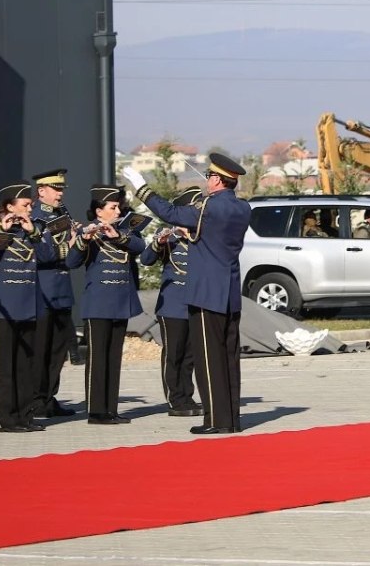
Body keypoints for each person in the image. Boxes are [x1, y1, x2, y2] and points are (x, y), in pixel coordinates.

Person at [122, 152, 251, 435]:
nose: (207, 182)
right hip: (228, 293)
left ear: (218, 180)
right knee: (229, 359)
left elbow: (168, 212)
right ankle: (231, 418)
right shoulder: (243, 208)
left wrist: (142, 188)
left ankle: (215, 420)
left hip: (205, 294)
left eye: (209, 177)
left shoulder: (208, 208)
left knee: (207, 360)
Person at [67, 185, 145, 424]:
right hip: (98, 303)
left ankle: (111, 408)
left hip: (120, 301)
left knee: (113, 357)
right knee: (98, 358)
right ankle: (96, 411)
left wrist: (118, 235)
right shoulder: (87, 232)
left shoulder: (125, 231)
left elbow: (140, 247)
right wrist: (83, 239)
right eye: (113, 207)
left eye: (118, 206)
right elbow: (71, 262)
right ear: (99, 212)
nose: (118, 210)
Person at [0, 181, 55, 433]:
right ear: (9, 206)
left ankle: (25, 414)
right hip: (6, 305)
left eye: (31, 204)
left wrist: (32, 231)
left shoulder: (36, 229)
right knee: (7, 364)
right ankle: (6, 418)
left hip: (29, 302)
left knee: (26, 364)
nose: (29, 208)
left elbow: (48, 256)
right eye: (24, 205)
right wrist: (2, 232)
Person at [139, 186, 205, 418]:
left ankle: (187, 395)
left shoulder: (201, 237)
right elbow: (146, 260)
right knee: (174, 355)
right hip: (173, 306)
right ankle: (175, 399)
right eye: (196, 207)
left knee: (190, 356)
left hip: (194, 304)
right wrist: (159, 242)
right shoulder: (170, 237)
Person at [30, 168, 82, 419]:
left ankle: (49, 396)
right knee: (41, 348)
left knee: (58, 350)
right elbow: (43, 254)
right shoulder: (35, 217)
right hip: (43, 290)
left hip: (62, 289)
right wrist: (69, 245)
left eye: (61, 190)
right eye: (56, 189)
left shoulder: (63, 214)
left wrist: (80, 239)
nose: (60, 194)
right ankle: (36, 398)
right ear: (42, 191)